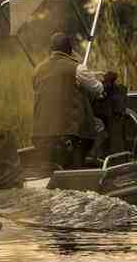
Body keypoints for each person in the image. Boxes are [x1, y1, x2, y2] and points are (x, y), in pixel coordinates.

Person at [32, 32, 105, 169]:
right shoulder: (77, 67)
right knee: (99, 125)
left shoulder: (37, 70)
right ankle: (93, 163)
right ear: (70, 50)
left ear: (51, 49)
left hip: (39, 134)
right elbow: (98, 89)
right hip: (68, 133)